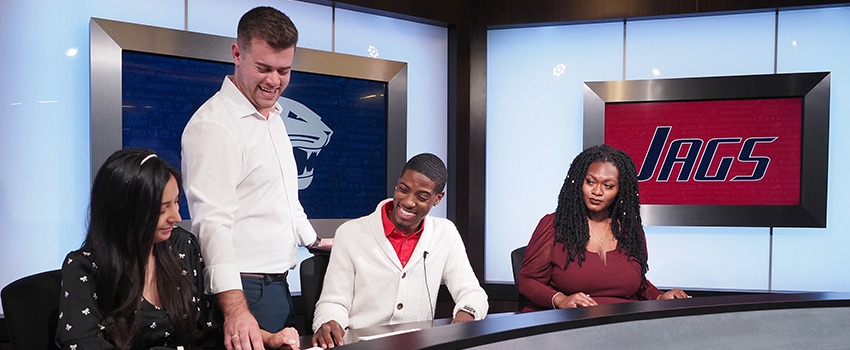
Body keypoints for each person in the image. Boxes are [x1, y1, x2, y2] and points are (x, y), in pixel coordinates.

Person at [181, 6, 324, 350]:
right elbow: (212, 224)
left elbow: (285, 198)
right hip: (245, 292)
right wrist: (235, 310)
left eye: (284, 70)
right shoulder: (215, 124)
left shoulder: (272, 116)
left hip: (278, 287)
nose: (274, 81)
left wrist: (315, 241)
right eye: (263, 68)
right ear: (236, 53)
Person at [311, 153, 489, 348]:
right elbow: (333, 302)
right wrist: (329, 322)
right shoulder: (350, 233)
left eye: (421, 197)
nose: (408, 202)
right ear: (398, 184)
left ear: (438, 199)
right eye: (403, 190)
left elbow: (472, 293)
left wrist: (467, 314)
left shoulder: (445, 233)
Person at [56, 148, 221, 349]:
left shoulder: (182, 245)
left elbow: (210, 329)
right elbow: (82, 343)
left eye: (177, 202)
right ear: (125, 211)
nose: (176, 217)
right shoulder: (85, 267)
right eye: (162, 209)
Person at [518, 145, 689, 312]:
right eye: (590, 182)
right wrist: (561, 300)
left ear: (619, 190)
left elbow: (637, 284)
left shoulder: (630, 229)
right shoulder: (554, 225)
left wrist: (660, 297)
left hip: (621, 326)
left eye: (608, 185)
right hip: (566, 324)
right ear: (579, 182)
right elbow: (527, 280)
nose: (597, 191)